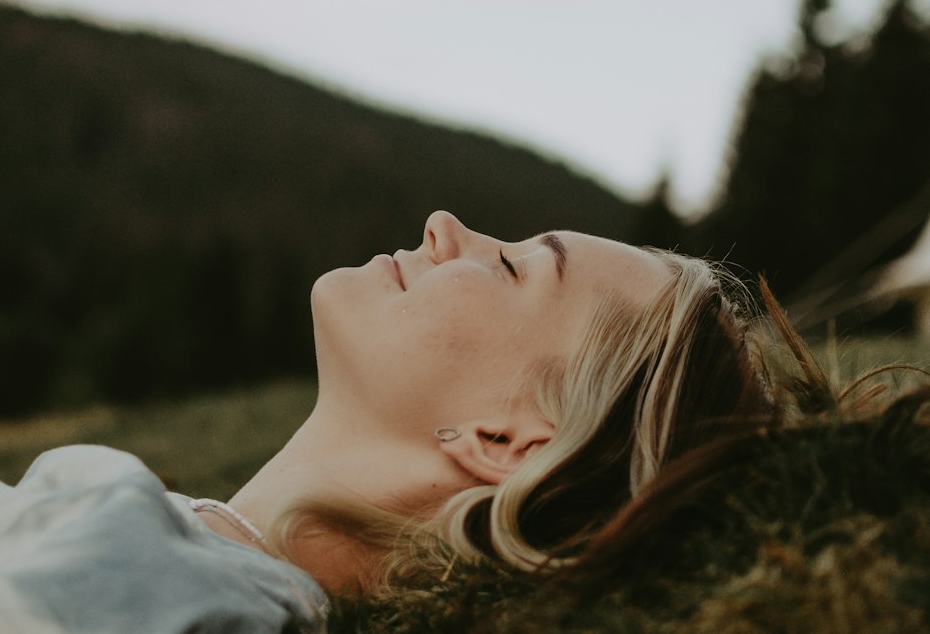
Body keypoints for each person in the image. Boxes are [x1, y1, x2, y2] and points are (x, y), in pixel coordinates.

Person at [187, 209, 777, 595]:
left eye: (508, 267)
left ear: (505, 441)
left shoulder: (175, 595)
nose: (442, 226)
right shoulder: (183, 563)